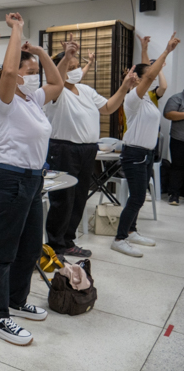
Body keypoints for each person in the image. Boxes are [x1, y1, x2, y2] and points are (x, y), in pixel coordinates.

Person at [0, 12, 64, 346]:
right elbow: (11, 70)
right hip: (10, 179)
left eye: (31, 72)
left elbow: (56, 84)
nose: (29, 76)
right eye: (26, 71)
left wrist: (42, 54)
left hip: (32, 180)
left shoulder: (33, 99)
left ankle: (16, 299)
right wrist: (16, 30)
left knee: (29, 248)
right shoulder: (3, 99)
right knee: (3, 251)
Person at [44, 35, 137, 259]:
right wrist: (66, 57)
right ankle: (56, 245)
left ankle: (68, 240)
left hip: (87, 150)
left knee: (78, 198)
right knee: (62, 200)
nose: (75, 70)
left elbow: (107, 108)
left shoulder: (85, 90)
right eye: (70, 66)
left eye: (77, 66)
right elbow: (56, 75)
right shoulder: (55, 92)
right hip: (64, 149)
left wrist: (124, 87)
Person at [112, 33, 180, 257]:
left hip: (146, 154)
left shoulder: (148, 99)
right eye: (147, 76)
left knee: (138, 196)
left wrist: (144, 49)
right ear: (139, 80)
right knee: (137, 197)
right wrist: (166, 51)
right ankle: (120, 238)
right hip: (134, 154)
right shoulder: (132, 98)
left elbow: (149, 73)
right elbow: (149, 74)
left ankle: (131, 231)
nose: (151, 76)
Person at [164, 87, 184, 205]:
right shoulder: (177, 98)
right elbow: (168, 114)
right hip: (179, 139)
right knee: (178, 167)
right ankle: (174, 195)